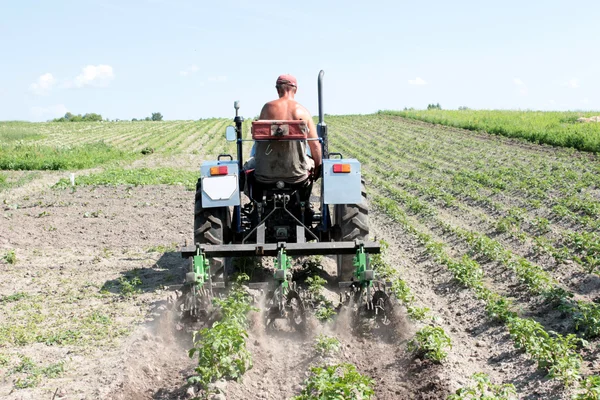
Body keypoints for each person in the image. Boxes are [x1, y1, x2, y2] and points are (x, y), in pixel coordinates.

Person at [247, 74, 322, 184]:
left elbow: (260, 139)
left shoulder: (267, 108)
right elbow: (315, 145)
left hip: (267, 170)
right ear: (295, 90)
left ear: (278, 90)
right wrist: (318, 168)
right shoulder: (303, 112)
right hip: (297, 172)